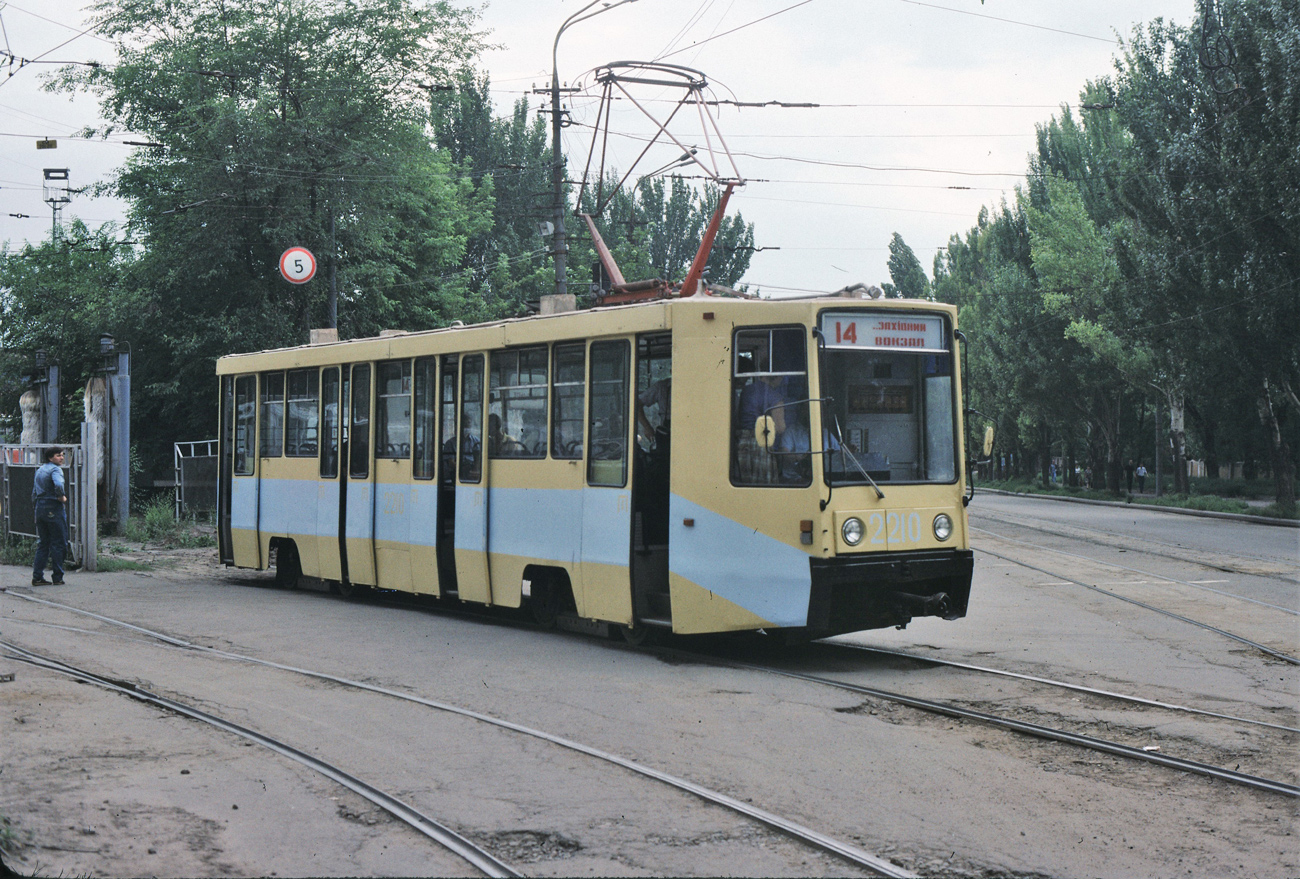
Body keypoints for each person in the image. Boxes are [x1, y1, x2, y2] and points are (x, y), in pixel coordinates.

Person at [736, 371, 786, 483]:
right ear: (777, 377)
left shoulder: (746, 391)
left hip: (742, 443)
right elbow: (780, 427)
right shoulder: (775, 396)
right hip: (762, 443)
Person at [31, 447, 68, 586]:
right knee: (59, 543)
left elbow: (34, 492)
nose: (62, 458)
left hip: (40, 507)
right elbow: (58, 484)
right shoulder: (55, 470)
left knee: (43, 543)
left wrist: (36, 509)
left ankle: (38, 576)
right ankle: (58, 577)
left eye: (62, 455)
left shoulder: (40, 470)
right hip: (53, 507)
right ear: (50, 457)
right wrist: (61, 497)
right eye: (58, 455)